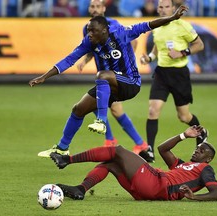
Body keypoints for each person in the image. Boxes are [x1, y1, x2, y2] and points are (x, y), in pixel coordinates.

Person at [29, 5, 188, 158]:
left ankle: (102, 121)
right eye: (89, 30)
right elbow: (69, 60)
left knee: (102, 75)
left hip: (130, 83)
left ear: (104, 31)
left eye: (94, 31)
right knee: (78, 109)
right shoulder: (88, 41)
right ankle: (62, 148)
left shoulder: (120, 33)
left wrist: (173, 18)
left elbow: (148, 25)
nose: (90, 34)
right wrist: (44, 76)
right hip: (109, 85)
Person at [50, 125, 217, 201]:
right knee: (110, 163)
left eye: (202, 150)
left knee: (117, 150)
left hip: (158, 184)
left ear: (208, 159)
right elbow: (162, 149)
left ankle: (67, 159)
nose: (198, 150)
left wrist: (194, 197)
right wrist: (183, 136)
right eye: (198, 147)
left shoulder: (205, 168)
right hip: (149, 191)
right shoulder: (181, 166)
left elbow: (216, 194)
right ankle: (81, 189)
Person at [139, 0, 207, 163]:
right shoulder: (156, 27)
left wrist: (183, 52)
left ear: (173, 8)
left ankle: (201, 132)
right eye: (160, 7)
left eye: (166, 7)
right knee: (153, 110)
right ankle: (149, 150)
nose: (163, 10)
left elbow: (199, 45)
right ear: (158, 9)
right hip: (162, 73)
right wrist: (150, 57)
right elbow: (157, 46)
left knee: (183, 116)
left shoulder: (182, 25)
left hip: (179, 75)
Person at [77, 0, 148, 154]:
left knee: (104, 106)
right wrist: (85, 60)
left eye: (97, 6)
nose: (94, 9)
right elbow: (93, 48)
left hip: (115, 76)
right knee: (106, 107)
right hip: (103, 74)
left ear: (104, 8)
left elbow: (132, 40)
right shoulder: (87, 28)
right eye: (92, 6)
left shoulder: (113, 24)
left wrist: (126, 61)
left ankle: (122, 141)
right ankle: (137, 143)